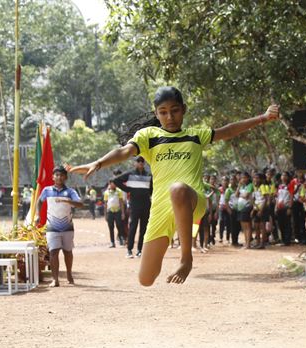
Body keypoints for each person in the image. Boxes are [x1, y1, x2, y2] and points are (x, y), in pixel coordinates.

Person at [68, 87, 279, 285]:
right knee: (146, 279)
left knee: (178, 189)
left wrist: (262, 117)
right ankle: (170, 244)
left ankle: (186, 258)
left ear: (184, 109)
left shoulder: (196, 135)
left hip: (191, 200)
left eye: (175, 111)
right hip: (161, 207)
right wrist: (98, 163)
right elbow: (124, 151)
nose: (170, 117)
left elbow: (228, 131)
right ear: (156, 113)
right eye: (163, 112)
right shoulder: (149, 137)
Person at [37, 167, 85, 287]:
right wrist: (38, 215)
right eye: (57, 175)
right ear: (53, 177)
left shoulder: (70, 192)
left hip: (67, 227)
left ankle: (69, 274)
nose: (59, 177)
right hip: (52, 227)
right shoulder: (47, 190)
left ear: (66, 177)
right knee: (53, 252)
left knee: (67, 251)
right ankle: (55, 279)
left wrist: (67, 201)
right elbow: (39, 201)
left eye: (62, 175)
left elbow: (80, 204)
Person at [113, 157, 152, 258]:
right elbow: (116, 180)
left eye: (142, 161)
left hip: (146, 204)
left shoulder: (148, 175)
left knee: (144, 228)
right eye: (138, 161)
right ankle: (129, 250)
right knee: (133, 227)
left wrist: (147, 193)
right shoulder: (130, 174)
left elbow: (152, 188)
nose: (140, 163)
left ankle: (140, 250)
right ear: (135, 163)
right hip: (134, 204)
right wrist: (128, 189)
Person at [103, 180, 126, 248]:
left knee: (119, 225)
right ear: (110, 184)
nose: (114, 185)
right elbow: (105, 204)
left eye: (115, 183)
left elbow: (121, 202)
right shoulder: (106, 192)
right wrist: (105, 214)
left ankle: (121, 239)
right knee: (111, 227)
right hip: (110, 211)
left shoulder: (119, 191)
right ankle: (112, 242)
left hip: (117, 211)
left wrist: (122, 213)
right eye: (113, 183)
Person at [237, 172, 254, 249]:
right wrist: (239, 186)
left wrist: (241, 195)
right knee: (243, 227)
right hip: (240, 208)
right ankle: (246, 242)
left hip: (247, 207)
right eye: (242, 178)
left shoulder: (250, 185)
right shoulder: (241, 186)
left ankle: (248, 244)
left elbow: (246, 195)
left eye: (245, 177)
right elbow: (236, 194)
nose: (243, 179)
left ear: (248, 178)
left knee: (247, 226)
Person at [275, 172, 294, 246]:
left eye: (285, 175)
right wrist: (276, 207)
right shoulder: (279, 186)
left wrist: (290, 207)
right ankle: (283, 240)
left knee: (287, 224)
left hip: (286, 207)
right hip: (279, 207)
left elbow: (291, 197)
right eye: (282, 175)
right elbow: (277, 197)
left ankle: (287, 240)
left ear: (288, 177)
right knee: (280, 224)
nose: (284, 177)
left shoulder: (290, 185)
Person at [250, 173, 268, 249]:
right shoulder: (255, 187)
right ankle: (258, 242)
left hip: (262, 209)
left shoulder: (262, 187)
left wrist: (261, 210)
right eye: (254, 178)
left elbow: (265, 199)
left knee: (262, 226)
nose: (256, 180)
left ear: (260, 179)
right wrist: (254, 209)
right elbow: (254, 199)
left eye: (257, 178)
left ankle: (262, 243)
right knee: (256, 226)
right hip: (256, 208)